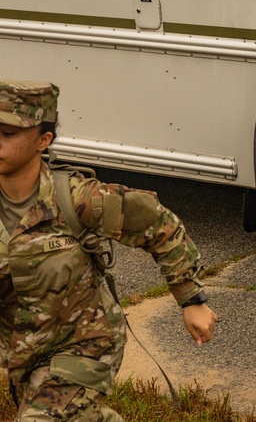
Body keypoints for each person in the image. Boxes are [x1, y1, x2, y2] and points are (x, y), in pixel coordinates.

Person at [0, 80, 217, 421]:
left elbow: (158, 222)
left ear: (44, 140)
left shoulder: (77, 199)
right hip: (23, 354)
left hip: (84, 344)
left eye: (8, 134)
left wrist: (191, 299)